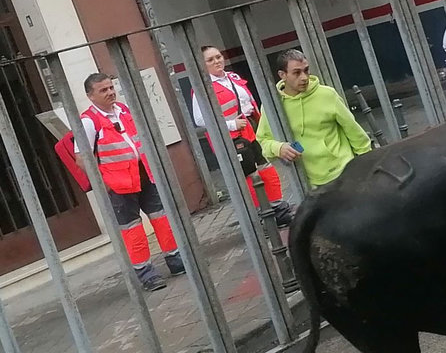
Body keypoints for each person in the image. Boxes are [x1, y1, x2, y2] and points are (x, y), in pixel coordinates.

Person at [78, 73, 184, 292]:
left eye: (110, 87)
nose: (110, 92)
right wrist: (104, 183)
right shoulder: (88, 121)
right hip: (118, 185)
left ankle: (176, 261)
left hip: (143, 173)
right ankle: (147, 274)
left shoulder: (122, 110)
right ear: (90, 96)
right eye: (103, 90)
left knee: (161, 218)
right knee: (132, 229)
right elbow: (81, 157)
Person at [189, 46, 292, 227]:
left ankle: (279, 209)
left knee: (266, 169)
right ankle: (264, 217)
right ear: (201, 65)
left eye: (218, 56)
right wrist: (231, 124)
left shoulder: (232, 77)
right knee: (250, 177)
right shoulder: (201, 88)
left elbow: (248, 102)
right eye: (210, 60)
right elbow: (200, 119)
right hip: (231, 138)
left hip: (251, 130)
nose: (217, 61)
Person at [257, 50, 372, 189]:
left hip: (345, 172)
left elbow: (355, 132)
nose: (304, 77)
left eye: (306, 70)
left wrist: (367, 167)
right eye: (297, 73)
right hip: (309, 184)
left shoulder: (327, 94)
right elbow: (263, 140)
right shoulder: (272, 105)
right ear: (283, 75)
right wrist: (278, 148)